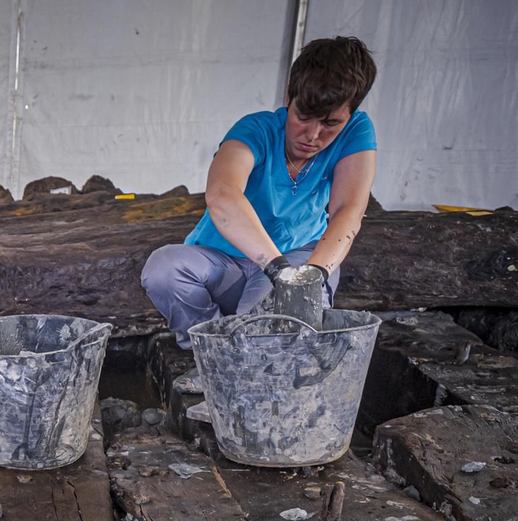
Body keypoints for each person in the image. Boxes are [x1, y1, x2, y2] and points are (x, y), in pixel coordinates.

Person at [141, 36, 378, 360]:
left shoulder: (357, 131)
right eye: (303, 116)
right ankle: (212, 353)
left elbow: (348, 209)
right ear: (288, 97)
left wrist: (313, 275)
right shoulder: (256, 129)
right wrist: (276, 268)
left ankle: (242, 356)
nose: (312, 135)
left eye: (330, 123)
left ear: (350, 116)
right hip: (227, 261)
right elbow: (222, 194)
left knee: (268, 332)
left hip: (299, 256)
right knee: (163, 269)